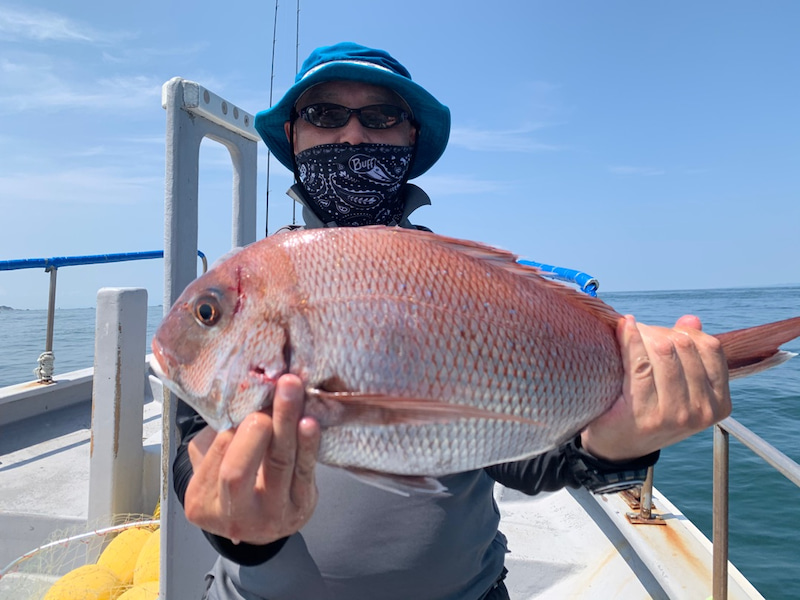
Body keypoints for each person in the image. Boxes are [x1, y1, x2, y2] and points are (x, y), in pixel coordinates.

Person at [173, 42, 732, 600]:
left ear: (410, 139)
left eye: (381, 117)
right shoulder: (248, 282)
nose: (352, 137)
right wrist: (237, 521)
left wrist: (615, 444)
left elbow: (525, 461)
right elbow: (191, 446)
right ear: (293, 136)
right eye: (324, 114)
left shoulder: (463, 285)